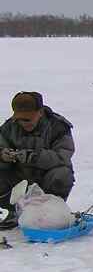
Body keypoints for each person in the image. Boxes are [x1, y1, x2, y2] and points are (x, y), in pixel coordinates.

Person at [0, 92, 75, 229]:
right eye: (19, 119)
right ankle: (13, 212)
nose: (23, 123)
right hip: (20, 180)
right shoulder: (8, 128)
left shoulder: (58, 126)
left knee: (62, 174)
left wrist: (34, 157)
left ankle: (51, 212)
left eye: (28, 119)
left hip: (46, 178)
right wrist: (3, 155)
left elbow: (62, 156)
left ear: (40, 112)